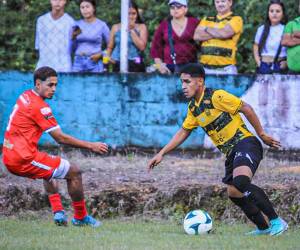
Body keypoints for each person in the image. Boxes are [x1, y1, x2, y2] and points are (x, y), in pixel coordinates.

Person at [147, 63, 288, 236]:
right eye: (181, 82)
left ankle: (277, 221)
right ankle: (264, 228)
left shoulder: (216, 96)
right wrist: (162, 153)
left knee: (241, 183)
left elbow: (246, 108)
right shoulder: (194, 108)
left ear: (200, 81)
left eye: (187, 81)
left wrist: (262, 134)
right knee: (234, 192)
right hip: (232, 153)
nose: (183, 86)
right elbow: (184, 131)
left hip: (246, 143)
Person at [2, 66, 108, 227]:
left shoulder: (25, 96)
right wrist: (91, 145)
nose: (54, 89)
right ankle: (80, 217)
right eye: (50, 85)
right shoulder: (40, 107)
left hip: (10, 153)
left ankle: (58, 212)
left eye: (56, 85)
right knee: (74, 172)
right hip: (22, 158)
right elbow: (60, 138)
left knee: (49, 166)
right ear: (38, 84)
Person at [194, 0, 243, 75]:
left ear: (230, 2)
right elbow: (196, 36)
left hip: (226, 69)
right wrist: (218, 32)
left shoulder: (236, 19)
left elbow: (224, 34)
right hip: (205, 69)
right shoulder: (206, 19)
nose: (220, 4)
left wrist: (206, 29)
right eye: (217, 2)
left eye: (223, 1)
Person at [150, 0, 199, 74]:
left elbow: (204, 42)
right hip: (170, 68)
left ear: (186, 9)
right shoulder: (164, 25)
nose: (175, 10)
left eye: (179, 7)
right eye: (172, 7)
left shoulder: (194, 22)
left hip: (192, 67)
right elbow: (155, 49)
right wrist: (160, 67)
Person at [106, 1, 148, 72]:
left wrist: (131, 29)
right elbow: (110, 47)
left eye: (133, 13)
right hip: (117, 63)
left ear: (137, 14)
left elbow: (142, 47)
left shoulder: (141, 27)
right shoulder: (115, 27)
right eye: (128, 13)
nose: (131, 16)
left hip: (136, 62)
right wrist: (107, 59)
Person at [35, 0, 74, 72]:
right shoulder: (41, 20)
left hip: (63, 64)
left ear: (65, 1)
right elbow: (38, 45)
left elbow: (71, 45)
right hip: (44, 63)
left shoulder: (70, 21)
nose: (58, 2)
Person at [72, 0, 110, 73]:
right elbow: (72, 48)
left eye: (87, 7)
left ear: (94, 8)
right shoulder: (76, 24)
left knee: (95, 84)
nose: (85, 10)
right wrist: (73, 37)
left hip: (94, 61)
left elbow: (111, 45)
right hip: (78, 62)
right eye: (82, 7)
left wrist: (101, 55)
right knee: (76, 84)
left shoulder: (102, 25)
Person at [253, 0, 288, 74]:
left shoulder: (287, 29)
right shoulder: (262, 29)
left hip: (280, 65)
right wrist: (259, 62)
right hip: (264, 65)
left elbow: (291, 48)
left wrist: (287, 62)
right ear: (268, 13)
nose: (274, 13)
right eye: (271, 11)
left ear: (283, 14)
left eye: (278, 11)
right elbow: (256, 45)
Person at [281, 3, 300, 73]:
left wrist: (294, 36)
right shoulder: (291, 24)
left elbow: (290, 39)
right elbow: (285, 42)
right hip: (293, 70)